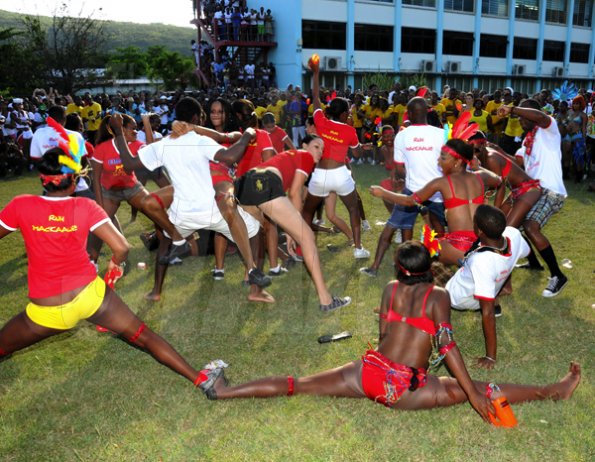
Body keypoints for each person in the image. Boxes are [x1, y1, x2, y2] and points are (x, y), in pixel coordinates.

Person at [196, 241, 580, 421]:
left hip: (367, 373)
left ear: (399, 269)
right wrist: (471, 393)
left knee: (297, 383)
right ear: (427, 266)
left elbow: (383, 337)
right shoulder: (438, 295)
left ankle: (225, 390)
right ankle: (553, 391)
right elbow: (447, 347)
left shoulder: (390, 289)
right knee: (483, 389)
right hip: (403, 388)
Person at [0, 148, 213, 391]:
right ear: (74, 181)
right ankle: (201, 380)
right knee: (144, 337)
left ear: (42, 180)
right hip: (91, 296)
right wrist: (114, 264)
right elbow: (122, 247)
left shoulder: (21, 205)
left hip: (47, 308)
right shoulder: (86, 206)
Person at [109, 99, 272, 301]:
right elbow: (231, 152)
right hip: (211, 209)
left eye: (218, 111)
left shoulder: (168, 143)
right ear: (198, 117)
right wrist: (248, 134)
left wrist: (118, 132)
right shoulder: (200, 140)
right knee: (254, 229)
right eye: (210, 112)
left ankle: (158, 286)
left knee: (164, 236)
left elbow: (129, 163)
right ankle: (253, 274)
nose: (214, 115)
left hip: (184, 214)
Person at [235, 135, 351, 311]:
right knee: (307, 237)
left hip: (244, 184)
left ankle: (251, 284)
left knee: (256, 234)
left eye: (322, 149)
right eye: (316, 146)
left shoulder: (289, 156)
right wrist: (291, 233)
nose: (320, 152)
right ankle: (326, 300)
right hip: (265, 182)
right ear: (304, 145)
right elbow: (295, 194)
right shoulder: (304, 156)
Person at [360, 97, 446, 276]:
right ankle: (437, 267)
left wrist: (411, 176)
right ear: (426, 112)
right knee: (439, 232)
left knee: (391, 227)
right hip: (438, 192)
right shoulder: (441, 134)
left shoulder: (402, 135)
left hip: (412, 191)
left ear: (410, 113)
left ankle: (374, 268)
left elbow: (399, 168)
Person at [498, 100, 568, 297]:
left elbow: (540, 117)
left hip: (551, 191)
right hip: (532, 191)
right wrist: (494, 149)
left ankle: (558, 275)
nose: (520, 120)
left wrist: (511, 108)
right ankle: (534, 264)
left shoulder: (549, 131)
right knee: (513, 228)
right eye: (518, 117)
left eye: (523, 116)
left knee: (530, 226)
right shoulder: (526, 141)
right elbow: (516, 162)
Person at [303, 56, 371, 260]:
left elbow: (315, 95)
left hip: (321, 176)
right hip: (341, 175)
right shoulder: (349, 130)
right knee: (352, 209)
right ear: (343, 114)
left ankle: (303, 247)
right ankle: (358, 248)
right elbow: (357, 153)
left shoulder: (320, 120)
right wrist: (361, 146)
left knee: (307, 212)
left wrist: (315, 73)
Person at [445, 205, 529, 369]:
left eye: (475, 222)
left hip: (459, 298)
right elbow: (525, 253)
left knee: (433, 261)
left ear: (479, 231)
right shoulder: (514, 234)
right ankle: (503, 290)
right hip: (489, 288)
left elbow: (488, 312)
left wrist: (490, 357)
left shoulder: (482, 262)